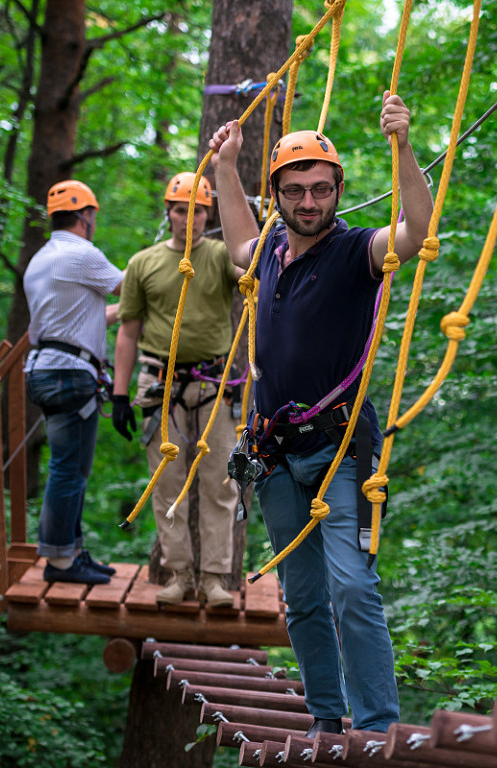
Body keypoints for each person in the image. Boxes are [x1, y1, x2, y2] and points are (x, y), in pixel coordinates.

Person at [207, 91, 435, 736]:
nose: (309, 202)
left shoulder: (356, 252)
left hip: (339, 453)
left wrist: (404, 145)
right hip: (275, 456)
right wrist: (227, 170)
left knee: (354, 590)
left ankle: (377, 725)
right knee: (302, 600)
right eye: (296, 191)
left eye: (321, 190)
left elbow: (416, 234)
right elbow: (237, 247)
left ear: (339, 190)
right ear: (277, 194)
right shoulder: (272, 255)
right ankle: (326, 719)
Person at [111, 172, 241, 608]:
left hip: (213, 384)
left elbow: (251, 267)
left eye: (198, 210)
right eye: (181, 209)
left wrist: (257, 225)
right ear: (168, 212)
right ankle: (180, 574)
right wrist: (118, 393)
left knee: (219, 482)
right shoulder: (143, 264)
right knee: (167, 483)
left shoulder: (222, 256)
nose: (189, 218)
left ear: (209, 215)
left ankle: (214, 579)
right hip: (160, 383)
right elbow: (128, 332)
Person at [24, 179, 124, 585]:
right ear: (86, 215)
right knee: (69, 469)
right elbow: (133, 289)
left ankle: (71, 550)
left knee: (69, 467)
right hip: (69, 374)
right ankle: (61, 561)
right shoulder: (83, 255)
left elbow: (84, 320)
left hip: (44, 367)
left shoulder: (41, 260)